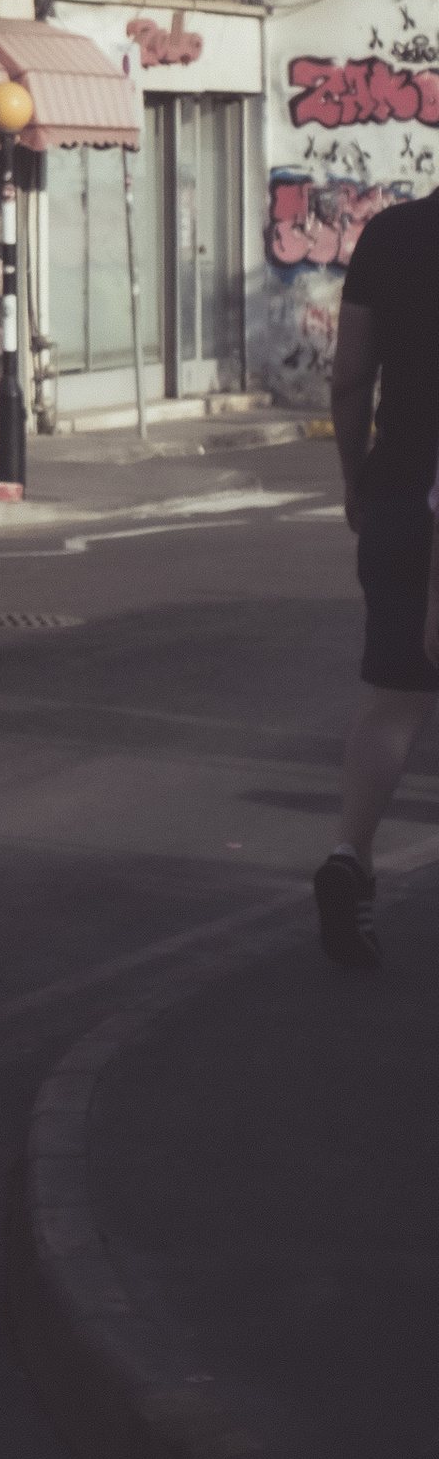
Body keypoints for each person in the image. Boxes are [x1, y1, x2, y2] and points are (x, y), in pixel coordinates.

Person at [315, 179, 439, 966]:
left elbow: (350, 377)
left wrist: (355, 474)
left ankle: (348, 858)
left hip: (398, 490)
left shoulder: (390, 235)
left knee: (392, 701)